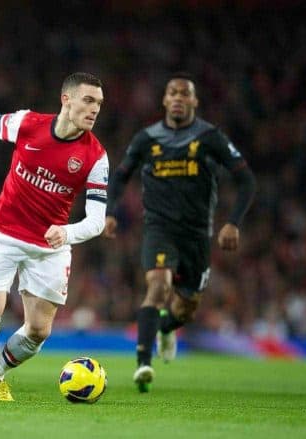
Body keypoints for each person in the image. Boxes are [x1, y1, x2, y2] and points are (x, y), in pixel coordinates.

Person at [0, 72, 109, 401]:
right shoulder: (28, 124)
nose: (94, 110)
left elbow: (97, 221)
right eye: (88, 101)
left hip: (49, 246)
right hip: (3, 232)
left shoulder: (96, 156)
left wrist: (67, 232)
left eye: (99, 104)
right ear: (67, 99)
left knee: (39, 330)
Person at [103, 72, 256, 392]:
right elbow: (120, 176)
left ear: (194, 101)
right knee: (157, 288)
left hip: (197, 234)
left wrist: (233, 222)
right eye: (172, 92)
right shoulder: (147, 139)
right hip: (159, 227)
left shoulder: (210, 137)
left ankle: (166, 329)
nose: (177, 98)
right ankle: (144, 363)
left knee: (186, 307)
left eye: (185, 94)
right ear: (164, 100)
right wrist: (110, 212)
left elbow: (246, 180)